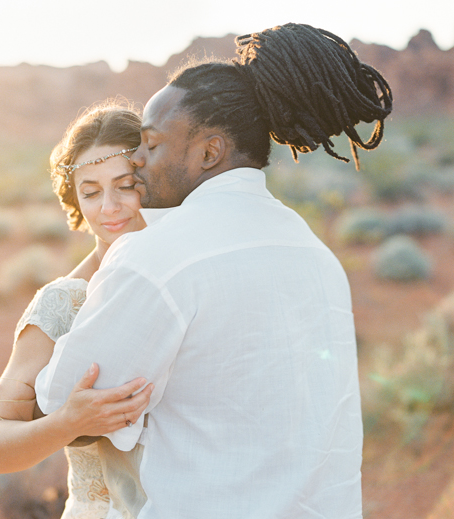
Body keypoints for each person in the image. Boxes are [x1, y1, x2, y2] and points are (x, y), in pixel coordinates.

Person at [36, 23, 393, 518]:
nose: (137, 161)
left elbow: (62, 399)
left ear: (209, 152)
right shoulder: (316, 255)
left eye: (152, 145)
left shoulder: (156, 257)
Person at [0, 101, 153, 519]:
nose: (108, 206)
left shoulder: (193, 277)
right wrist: (68, 423)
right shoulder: (62, 303)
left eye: (126, 185)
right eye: (90, 192)